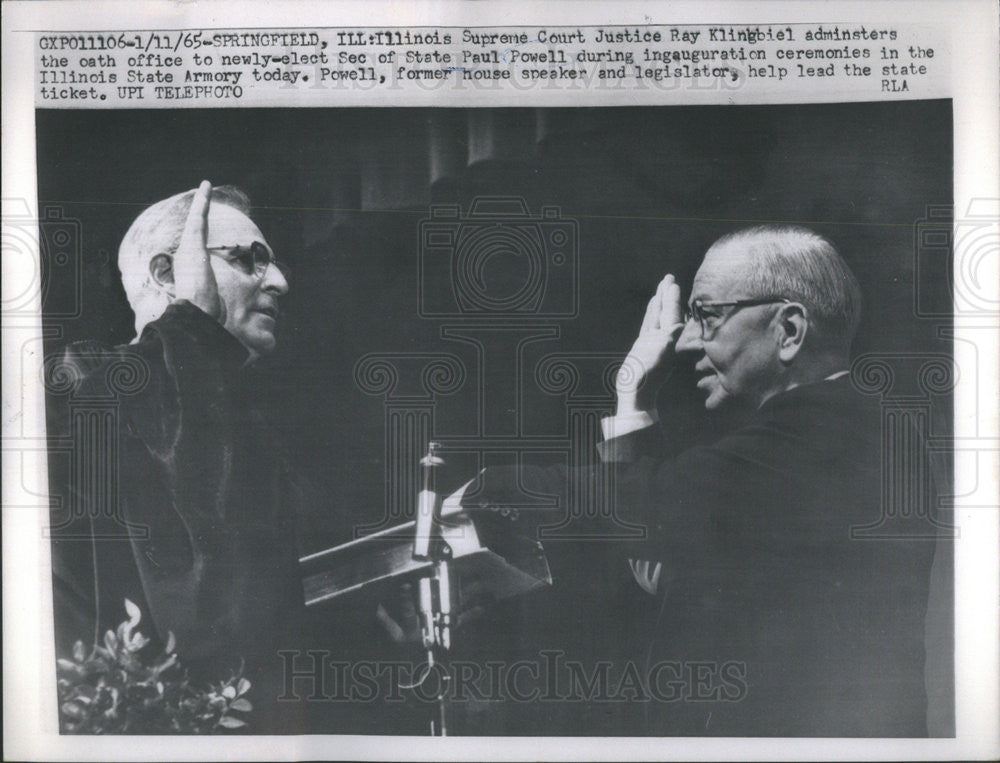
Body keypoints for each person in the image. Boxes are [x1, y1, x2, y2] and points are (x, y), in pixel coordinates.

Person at [458, 225, 937, 736]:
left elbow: (644, 505)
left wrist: (480, 492)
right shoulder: (830, 429)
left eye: (706, 315)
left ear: (790, 330)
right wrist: (633, 399)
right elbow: (649, 551)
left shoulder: (826, 428)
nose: (685, 341)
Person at [50, 181, 312, 732]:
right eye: (249, 260)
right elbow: (194, 599)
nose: (281, 282)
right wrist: (190, 324)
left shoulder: (255, 419)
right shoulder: (83, 381)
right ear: (168, 274)